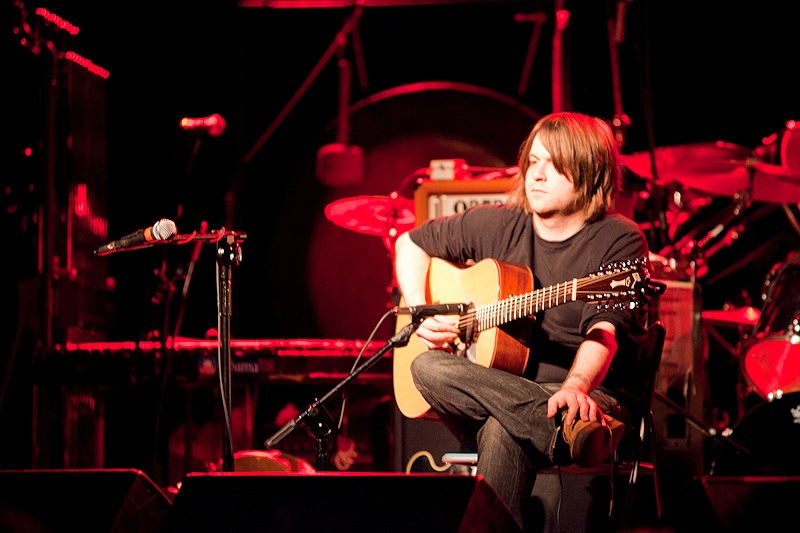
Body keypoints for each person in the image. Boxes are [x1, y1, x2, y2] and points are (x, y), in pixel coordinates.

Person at [393, 111, 651, 531]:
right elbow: (410, 242)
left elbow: (603, 331)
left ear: (589, 171)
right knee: (425, 364)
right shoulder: (499, 224)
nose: (537, 174)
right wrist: (422, 311)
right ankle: (568, 433)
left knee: (500, 428)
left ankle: (565, 422)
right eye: (533, 161)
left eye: (554, 164)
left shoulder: (618, 238)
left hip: (589, 397)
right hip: (518, 396)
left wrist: (575, 386)